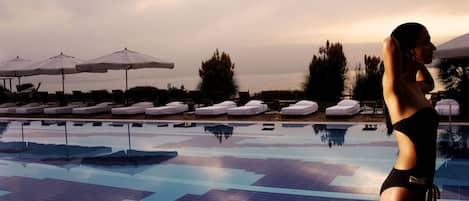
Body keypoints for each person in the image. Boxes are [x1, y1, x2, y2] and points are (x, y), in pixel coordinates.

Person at [380, 22, 440, 201]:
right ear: (409, 50)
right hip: (403, 187)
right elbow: (389, 43)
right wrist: (408, 55)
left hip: (419, 185)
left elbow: (430, 83)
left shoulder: (415, 87)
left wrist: (418, 62)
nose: (433, 47)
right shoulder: (397, 89)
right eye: (426, 42)